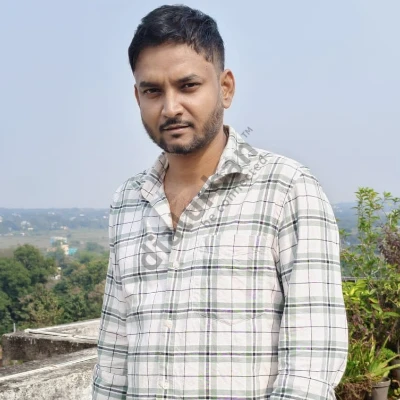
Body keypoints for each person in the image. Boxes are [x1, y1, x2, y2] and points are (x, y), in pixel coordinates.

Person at [92, 4, 348, 399]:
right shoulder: (128, 201)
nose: (170, 107)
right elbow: (114, 354)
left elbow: (311, 364)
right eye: (153, 91)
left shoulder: (285, 189)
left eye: (188, 86)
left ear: (225, 88)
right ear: (137, 96)